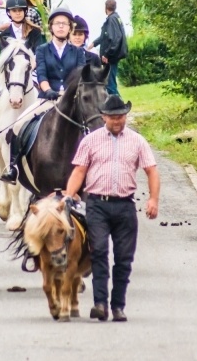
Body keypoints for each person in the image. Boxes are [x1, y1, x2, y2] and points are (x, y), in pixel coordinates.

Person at [63, 94, 160, 322]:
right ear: (104, 117)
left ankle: (118, 306)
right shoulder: (90, 141)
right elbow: (79, 170)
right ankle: (99, 304)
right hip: (97, 204)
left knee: (124, 258)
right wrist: (69, 195)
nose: (117, 121)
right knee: (98, 253)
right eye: (113, 117)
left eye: (121, 117)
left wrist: (153, 199)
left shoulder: (137, 141)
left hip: (125, 205)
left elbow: (151, 170)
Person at [0, 7, 86, 182]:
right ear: (51, 27)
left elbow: (82, 76)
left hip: (72, 100)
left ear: (70, 27)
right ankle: (13, 167)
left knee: (93, 125)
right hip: (48, 98)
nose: (61, 27)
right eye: (57, 23)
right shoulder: (42, 50)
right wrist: (48, 90)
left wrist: (69, 94)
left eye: (65, 24)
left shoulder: (78, 52)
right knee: (18, 125)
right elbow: (41, 74)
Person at [0, 0, 45, 148]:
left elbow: (39, 53)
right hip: (10, 74)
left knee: (46, 94)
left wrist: (30, 66)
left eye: (20, 10)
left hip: (30, 70)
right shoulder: (4, 35)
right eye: (14, 11)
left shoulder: (34, 32)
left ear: (25, 11)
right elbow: (2, 59)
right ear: (9, 13)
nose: (18, 13)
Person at [88, 0, 128, 95]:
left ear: (106, 8)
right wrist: (93, 44)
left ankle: (119, 106)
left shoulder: (111, 19)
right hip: (113, 56)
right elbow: (104, 37)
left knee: (110, 85)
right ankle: (116, 106)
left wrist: (106, 54)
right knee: (109, 83)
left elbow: (115, 39)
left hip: (110, 58)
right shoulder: (116, 18)